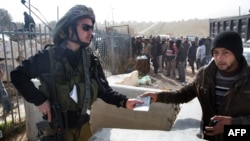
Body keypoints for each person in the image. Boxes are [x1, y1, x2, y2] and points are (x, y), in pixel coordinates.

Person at [11, 5, 143, 141]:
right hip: (58, 131)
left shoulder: (90, 60)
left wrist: (124, 101)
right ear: (70, 29)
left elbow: (104, 90)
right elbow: (18, 75)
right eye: (85, 27)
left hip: (84, 128)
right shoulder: (48, 57)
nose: (90, 32)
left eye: (92, 28)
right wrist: (40, 100)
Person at [140, 31, 250, 141]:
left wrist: (232, 126)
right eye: (215, 53)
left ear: (237, 53)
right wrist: (158, 97)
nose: (219, 58)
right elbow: (183, 95)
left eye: (225, 53)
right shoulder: (204, 75)